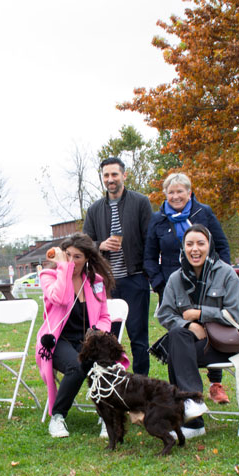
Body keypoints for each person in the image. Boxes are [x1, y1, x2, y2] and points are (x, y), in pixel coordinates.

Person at [144, 172, 232, 403]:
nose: (175, 196)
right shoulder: (158, 220)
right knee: (182, 331)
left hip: (207, 281)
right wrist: (159, 284)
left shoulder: (203, 213)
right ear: (165, 195)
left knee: (210, 325)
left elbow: (222, 246)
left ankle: (215, 382)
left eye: (180, 191)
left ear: (189, 193)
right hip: (173, 284)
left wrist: (222, 276)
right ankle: (186, 393)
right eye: (171, 192)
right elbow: (150, 257)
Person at [156, 224, 239, 439]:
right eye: (189, 244)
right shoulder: (176, 278)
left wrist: (199, 314)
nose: (195, 249)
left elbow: (234, 312)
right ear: (183, 248)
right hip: (192, 344)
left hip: (225, 344)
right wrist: (189, 326)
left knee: (175, 349)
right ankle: (192, 406)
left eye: (200, 243)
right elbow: (165, 314)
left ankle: (191, 419)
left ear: (209, 245)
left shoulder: (226, 274)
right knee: (177, 337)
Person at [34, 233, 117, 438]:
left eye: (77, 257)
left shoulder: (96, 281)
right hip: (58, 340)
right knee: (76, 367)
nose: (72, 260)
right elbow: (60, 299)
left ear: (87, 258)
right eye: (67, 255)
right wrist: (64, 268)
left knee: (105, 364)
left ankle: (106, 415)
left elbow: (105, 315)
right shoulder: (48, 276)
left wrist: (99, 332)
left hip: (88, 339)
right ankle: (58, 416)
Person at [83, 157, 152, 375]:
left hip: (135, 278)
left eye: (114, 174)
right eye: (106, 175)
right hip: (106, 282)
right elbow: (84, 244)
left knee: (138, 336)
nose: (110, 179)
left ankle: (141, 383)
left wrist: (147, 275)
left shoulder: (141, 203)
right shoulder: (94, 210)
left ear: (124, 175)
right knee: (107, 336)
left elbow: (149, 240)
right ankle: (109, 382)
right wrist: (100, 245)